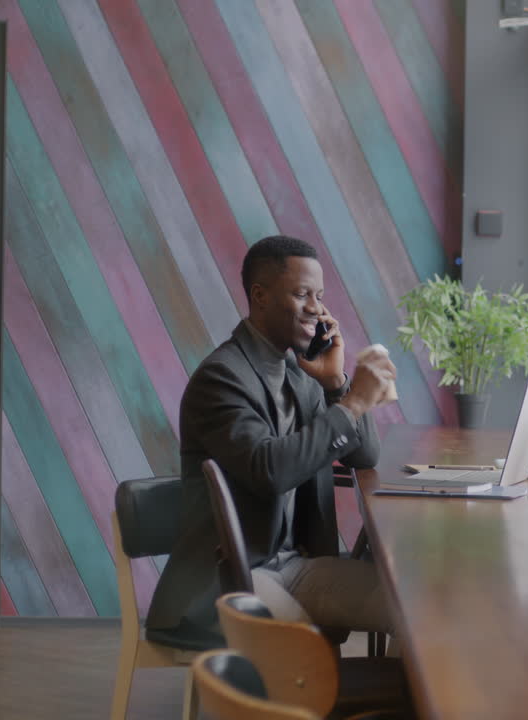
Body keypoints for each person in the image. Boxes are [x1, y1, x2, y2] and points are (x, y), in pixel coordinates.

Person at [147, 235, 398, 640]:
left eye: (319, 295)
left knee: (416, 611)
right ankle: (312, 703)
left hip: (295, 566)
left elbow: (365, 455)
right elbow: (271, 470)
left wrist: (336, 384)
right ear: (260, 296)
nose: (316, 308)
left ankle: (396, 704)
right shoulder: (222, 378)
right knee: (304, 652)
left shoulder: (301, 373)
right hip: (233, 574)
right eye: (302, 294)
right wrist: (352, 404)